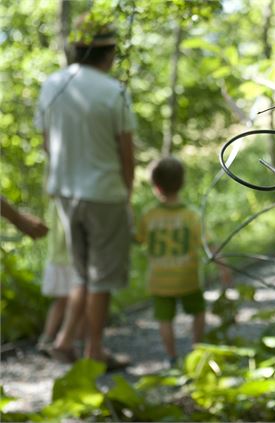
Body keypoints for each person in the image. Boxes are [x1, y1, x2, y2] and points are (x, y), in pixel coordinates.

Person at [35, 13, 135, 369]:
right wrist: (128, 196)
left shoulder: (53, 85)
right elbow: (126, 153)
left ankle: (66, 342)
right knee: (101, 278)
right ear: (108, 54)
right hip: (104, 193)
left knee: (80, 272)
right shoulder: (113, 91)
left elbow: (48, 144)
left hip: (65, 194)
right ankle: (94, 351)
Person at [136, 157, 207, 366]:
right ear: (182, 182)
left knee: (164, 320)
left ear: (156, 187)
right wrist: (222, 267)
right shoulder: (191, 214)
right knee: (199, 312)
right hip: (188, 278)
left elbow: (139, 239)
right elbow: (207, 242)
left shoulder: (149, 214)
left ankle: (172, 357)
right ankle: (197, 351)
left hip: (160, 280)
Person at [36, 203, 84, 355]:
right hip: (73, 258)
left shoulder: (55, 202)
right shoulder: (75, 200)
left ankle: (47, 338)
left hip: (57, 258)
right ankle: (74, 341)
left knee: (61, 301)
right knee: (79, 300)